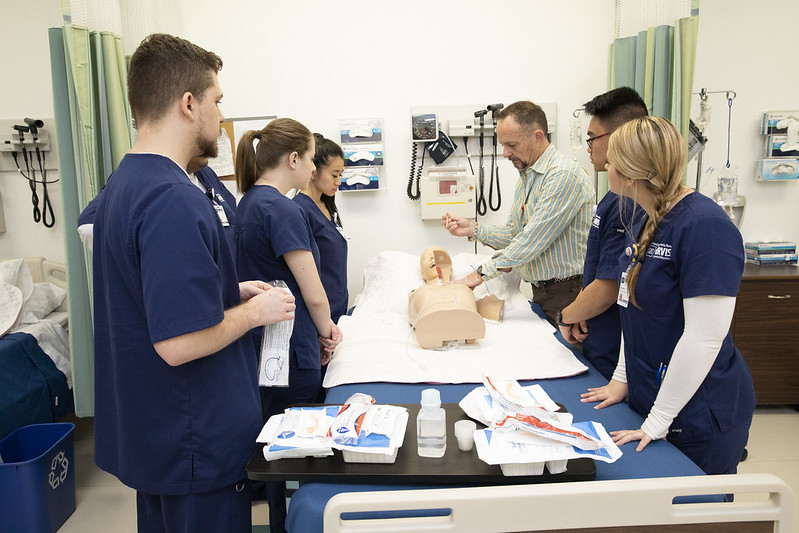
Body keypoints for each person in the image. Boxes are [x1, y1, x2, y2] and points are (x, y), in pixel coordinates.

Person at [91, 34, 296, 533]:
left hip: (157, 436)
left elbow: (148, 297)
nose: (221, 115)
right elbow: (179, 342)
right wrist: (253, 314)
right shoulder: (173, 198)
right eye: (217, 101)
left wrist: (231, 291)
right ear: (188, 104)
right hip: (195, 443)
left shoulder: (124, 185)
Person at [581, 116, 755, 476]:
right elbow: (632, 305)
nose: (604, 166)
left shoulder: (704, 227)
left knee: (694, 516)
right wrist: (622, 378)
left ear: (630, 175)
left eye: (611, 161)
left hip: (698, 412)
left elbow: (705, 338)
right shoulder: (646, 217)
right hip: (653, 396)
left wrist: (658, 420)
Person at [234, 118, 343, 533]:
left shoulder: (247, 203)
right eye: (313, 160)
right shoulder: (282, 208)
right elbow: (312, 290)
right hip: (290, 345)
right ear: (294, 159)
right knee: (294, 445)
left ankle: (279, 522)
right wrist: (329, 331)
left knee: (270, 447)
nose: (314, 169)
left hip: (257, 345)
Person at [443, 101, 593, 325]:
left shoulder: (563, 176)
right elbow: (515, 234)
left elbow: (531, 240)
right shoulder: (528, 176)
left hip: (568, 292)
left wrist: (477, 277)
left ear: (538, 136)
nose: (505, 153)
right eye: (502, 145)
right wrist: (474, 229)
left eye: (511, 144)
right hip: (544, 292)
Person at [556, 87, 648, 380]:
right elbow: (598, 268)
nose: (588, 147)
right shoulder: (615, 195)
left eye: (592, 138)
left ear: (619, 136)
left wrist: (565, 317)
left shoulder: (633, 200)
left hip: (616, 346)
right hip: (600, 337)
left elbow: (609, 286)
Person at [77, 156, 236, 254]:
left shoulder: (204, 173)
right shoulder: (140, 176)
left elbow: (231, 220)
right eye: (216, 104)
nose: (220, 117)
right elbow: (87, 226)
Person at [408, 246, 486, 348]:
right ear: (422, 273)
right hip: (431, 312)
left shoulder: (462, 287)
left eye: (440, 258)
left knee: (464, 291)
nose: (433, 259)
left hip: (464, 310)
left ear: (451, 269)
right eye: (427, 258)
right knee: (422, 294)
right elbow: (411, 315)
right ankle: (431, 319)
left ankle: (463, 318)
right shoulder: (421, 291)